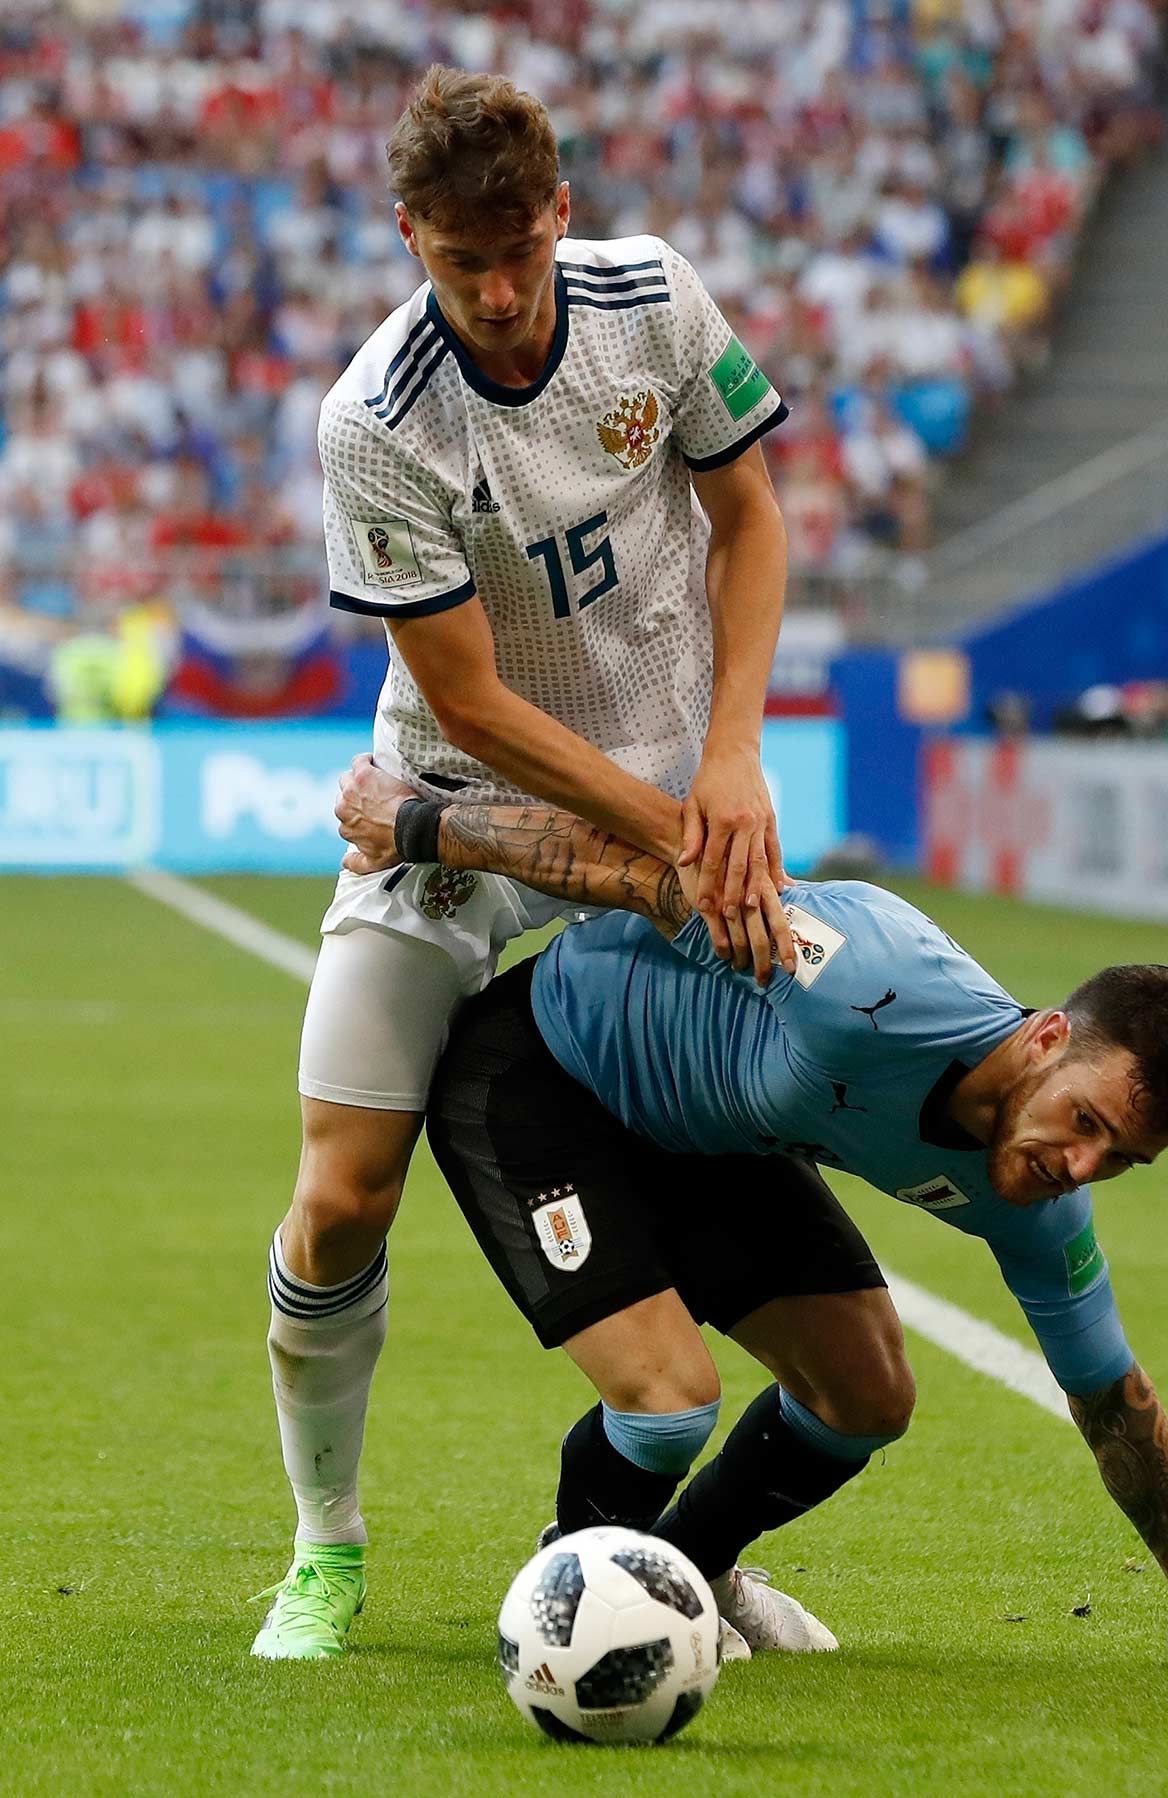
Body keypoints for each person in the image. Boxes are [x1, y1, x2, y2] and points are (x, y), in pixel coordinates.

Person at [329, 756, 1168, 1674]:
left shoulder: (1039, 1199)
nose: (1081, 1165)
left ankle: (691, 1576)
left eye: (1120, 1160)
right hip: (545, 1078)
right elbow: (640, 872)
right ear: (1046, 1037)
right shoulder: (863, 979)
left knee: (867, 1394)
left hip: (709, 1136)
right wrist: (414, 827)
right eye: (1087, 1123)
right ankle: (573, 1597)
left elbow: (1111, 1399)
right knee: (668, 1406)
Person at [253, 67, 798, 1660]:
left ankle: (691, 1557)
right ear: (407, 236)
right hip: (452, 816)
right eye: (457, 265)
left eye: (519, 254)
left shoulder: (651, 300)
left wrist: (733, 753)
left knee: (707, 1163)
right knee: (344, 1190)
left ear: (559, 208)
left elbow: (748, 516)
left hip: (667, 793)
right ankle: (326, 1545)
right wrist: (665, 832)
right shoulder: (375, 419)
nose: (496, 296)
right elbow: (475, 700)